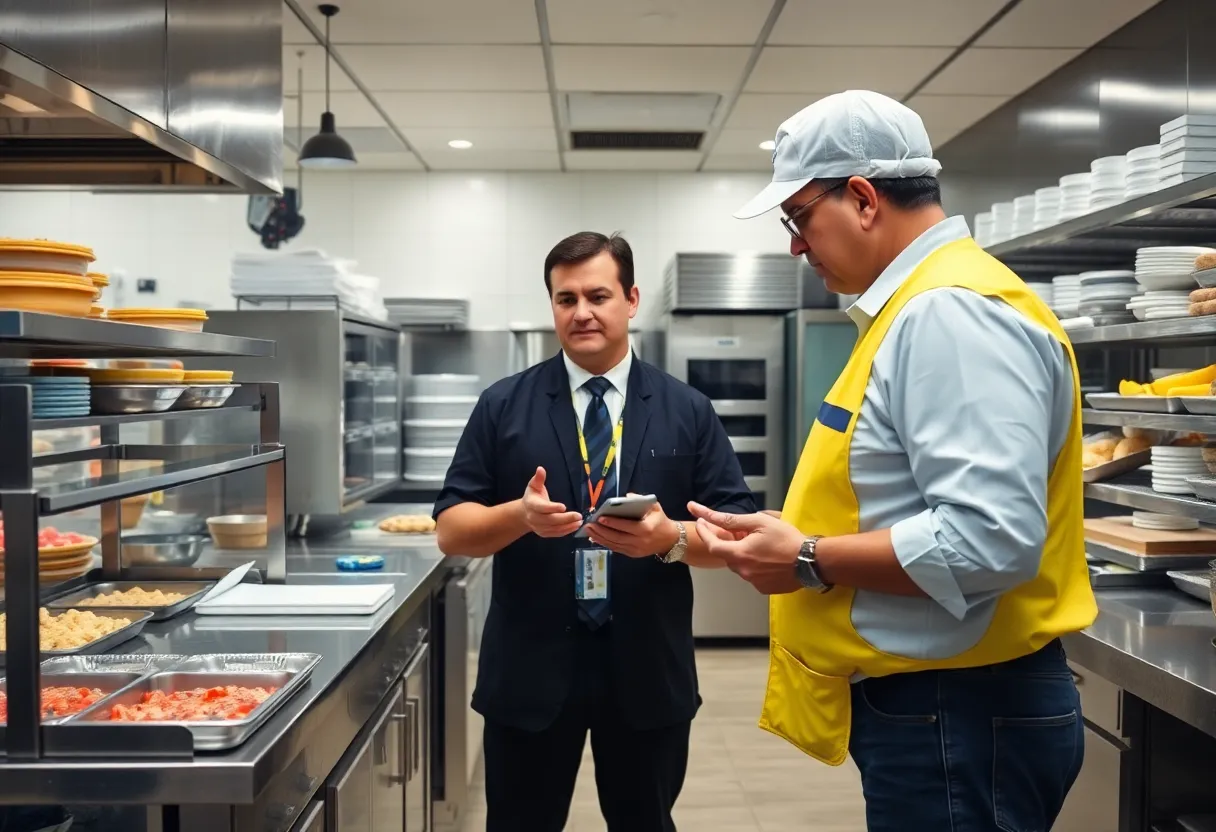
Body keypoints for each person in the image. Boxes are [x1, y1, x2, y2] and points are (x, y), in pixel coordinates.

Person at [688, 90, 1098, 832]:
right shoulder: (924, 306)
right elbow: (915, 502)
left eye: (799, 218)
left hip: (961, 709)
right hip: (951, 707)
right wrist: (794, 534)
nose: (795, 245)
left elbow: (987, 539)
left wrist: (810, 557)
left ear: (864, 198)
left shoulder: (949, 313)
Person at [434, 231, 754, 832]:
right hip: (530, 671)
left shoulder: (687, 410)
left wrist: (671, 540)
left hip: (646, 672)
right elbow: (452, 530)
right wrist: (518, 517)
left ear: (631, 300)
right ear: (552, 305)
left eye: (598, 295)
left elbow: (738, 537)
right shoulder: (504, 406)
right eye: (565, 298)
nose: (581, 311)